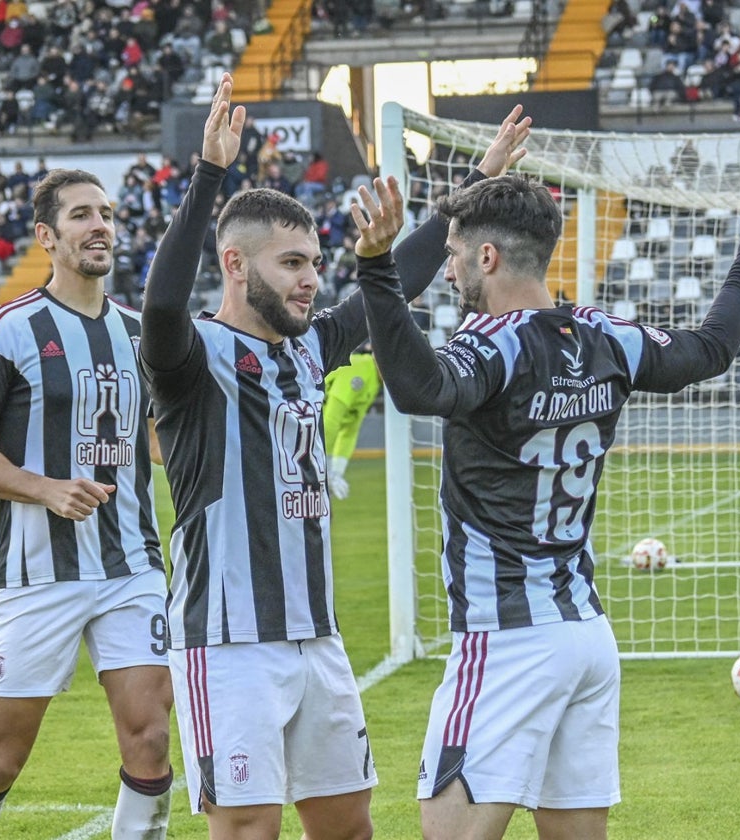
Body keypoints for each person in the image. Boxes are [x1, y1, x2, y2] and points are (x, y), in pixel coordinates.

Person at [137, 72, 529, 840]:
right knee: (249, 826)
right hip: (228, 640)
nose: (312, 279)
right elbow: (157, 304)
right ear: (236, 266)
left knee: (348, 826)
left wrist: (480, 184)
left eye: (315, 262)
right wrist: (210, 175)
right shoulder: (191, 358)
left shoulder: (313, 345)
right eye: (292, 264)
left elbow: (400, 280)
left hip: (317, 635)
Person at [356, 163, 740, 838]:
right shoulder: (606, 336)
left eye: (451, 256)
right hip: (585, 636)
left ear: (487, 255)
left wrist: (375, 267)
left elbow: (419, 389)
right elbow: (710, 350)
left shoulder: (492, 346)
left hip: (506, 636)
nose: (446, 273)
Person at [0, 169, 174, 840]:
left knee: (151, 740)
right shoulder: (12, 327)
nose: (100, 224)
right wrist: (46, 489)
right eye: (80, 215)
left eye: (106, 213)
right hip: (38, 577)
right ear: (48, 235)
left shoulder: (137, 332)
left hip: (132, 568)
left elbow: (157, 443)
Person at [323, 345, 381, 500]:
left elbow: (350, 429)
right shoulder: (360, 369)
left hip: (311, 438)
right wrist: (326, 469)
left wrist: (337, 472)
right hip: (300, 432)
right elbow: (330, 421)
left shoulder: (373, 379)